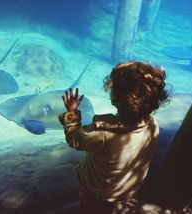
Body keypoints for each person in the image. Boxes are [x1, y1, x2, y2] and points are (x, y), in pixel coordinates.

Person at [58, 61, 169, 213]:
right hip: (127, 192)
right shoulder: (152, 125)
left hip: (97, 194)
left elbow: (75, 140)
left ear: (115, 96)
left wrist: (71, 113)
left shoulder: (104, 131)